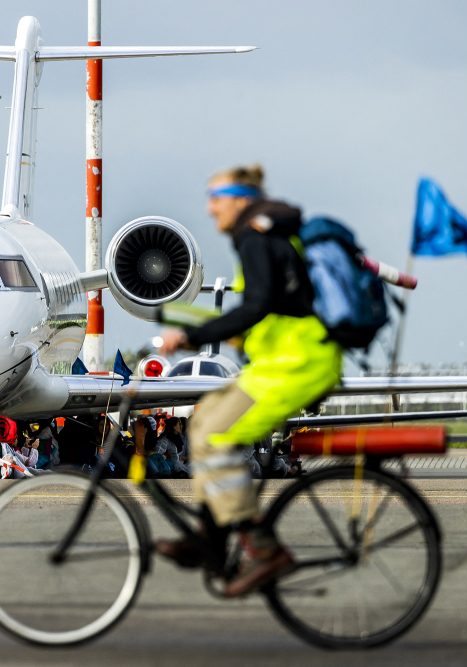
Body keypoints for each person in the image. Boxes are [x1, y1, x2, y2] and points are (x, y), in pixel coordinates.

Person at [156, 164, 343, 597]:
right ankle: (210, 538)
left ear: (241, 199)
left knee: (215, 436)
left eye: (216, 198)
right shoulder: (268, 234)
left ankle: (262, 548)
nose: (210, 208)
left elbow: (257, 305)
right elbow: (273, 306)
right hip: (282, 361)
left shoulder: (254, 236)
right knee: (203, 426)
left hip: (297, 364)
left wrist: (192, 336)